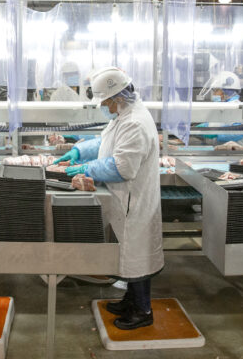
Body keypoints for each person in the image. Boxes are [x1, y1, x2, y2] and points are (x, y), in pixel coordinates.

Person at [53, 67, 163, 330]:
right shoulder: (124, 115)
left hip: (133, 202)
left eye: (104, 101)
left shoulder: (135, 122)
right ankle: (130, 300)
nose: (102, 106)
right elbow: (106, 141)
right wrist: (78, 151)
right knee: (129, 256)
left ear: (118, 97)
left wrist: (85, 169)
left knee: (135, 257)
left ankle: (143, 311)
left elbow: (122, 168)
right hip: (125, 201)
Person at [196, 70, 243, 145]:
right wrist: (202, 127)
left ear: (225, 91)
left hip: (235, 152)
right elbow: (215, 124)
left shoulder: (237, 107)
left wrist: (216, 133)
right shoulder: (222, 106)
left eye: (216, 90)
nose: (214, 94)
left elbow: (238, 133)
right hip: (220, 150)